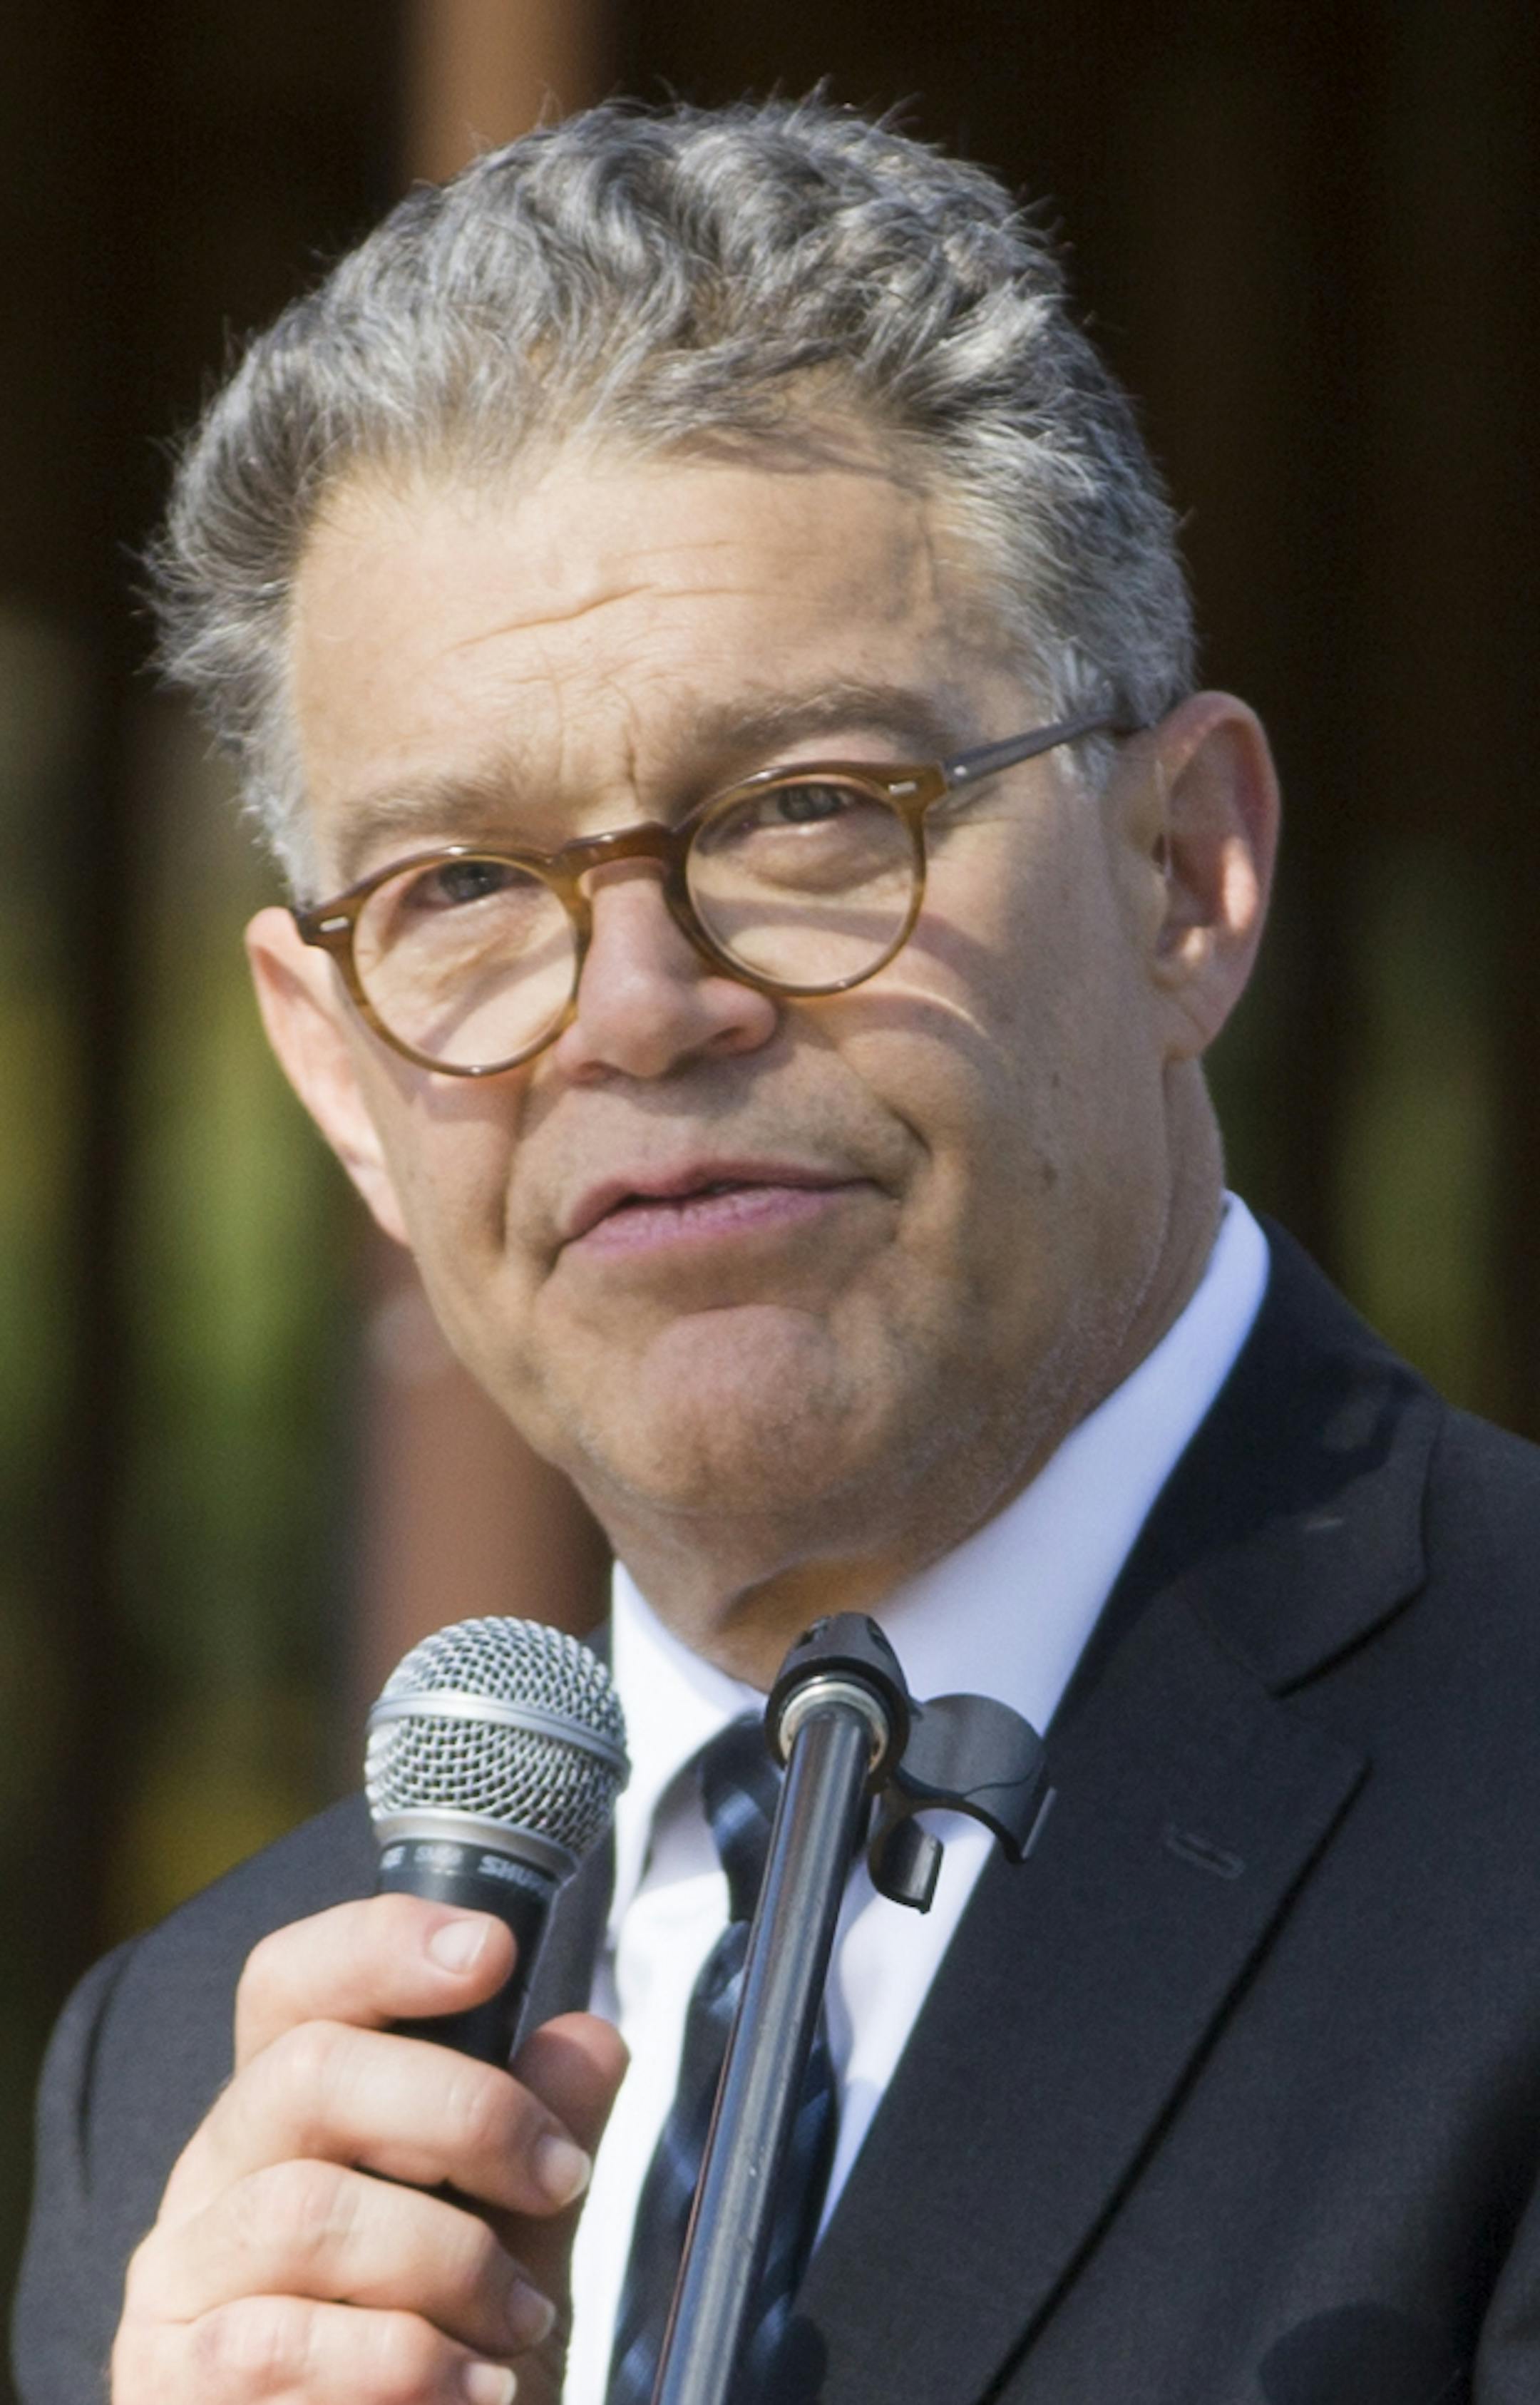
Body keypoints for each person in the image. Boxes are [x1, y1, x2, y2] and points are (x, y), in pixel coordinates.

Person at [14, 95, 1540, 2405]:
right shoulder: (198, 2093)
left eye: (816, 809)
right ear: (335, 1071)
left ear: (1184, 879)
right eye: (458, 890)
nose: (640, 1010)